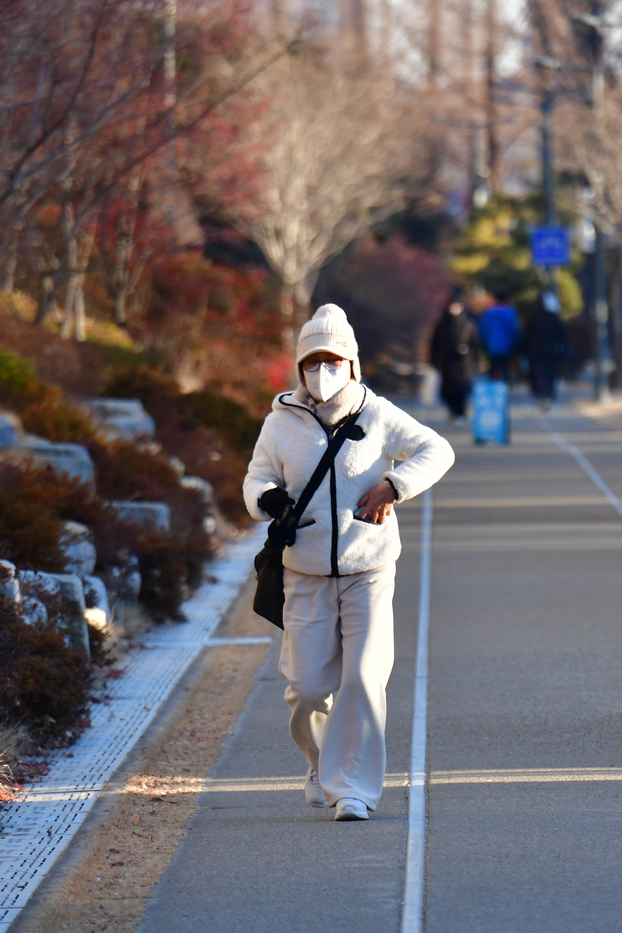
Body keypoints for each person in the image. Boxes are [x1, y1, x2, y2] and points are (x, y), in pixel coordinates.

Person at [244, 304, 455, 820]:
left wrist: (395, 485)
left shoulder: (378, 415)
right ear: (299, 367)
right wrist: (270, 501)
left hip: (370, 569)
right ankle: (320, 761)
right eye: (312, 360)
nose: (323, 370)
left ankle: (353, 790)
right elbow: (256, 479)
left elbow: (438, 450)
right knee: (309, 689)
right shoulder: (280, 423)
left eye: (333, 359)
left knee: (363, 677)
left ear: (353, 364)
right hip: (305, 572)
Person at [429, 287, 480, 424]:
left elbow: (475, 344)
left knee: (463, 390)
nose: (455, 308)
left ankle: (460, 413)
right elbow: (435, 343)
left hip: (465, 363)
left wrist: (476, 361)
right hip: (448, 363)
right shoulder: (443, 323)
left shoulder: (469, 323)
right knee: (449, 391)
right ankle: (452, 411)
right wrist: (434, 361)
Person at [525, 290, 568, 412]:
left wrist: (525, 350)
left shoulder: (533, 317)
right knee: (550, 374)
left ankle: (543, 395)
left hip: (536, 352)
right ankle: (547, 395)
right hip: (552, 352)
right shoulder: (553, 317)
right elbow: (562, 335)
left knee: (540, 374)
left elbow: (527, 336)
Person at [477, 287, 521, 382]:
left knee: (493, 369)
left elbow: (482, 330)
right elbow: (515, 331)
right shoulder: (510, 313)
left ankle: (494, 389)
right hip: (507, 347)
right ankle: (503, 389)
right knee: (504, 369)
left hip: (491, 346)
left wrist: (484, 344)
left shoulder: (487, 313)